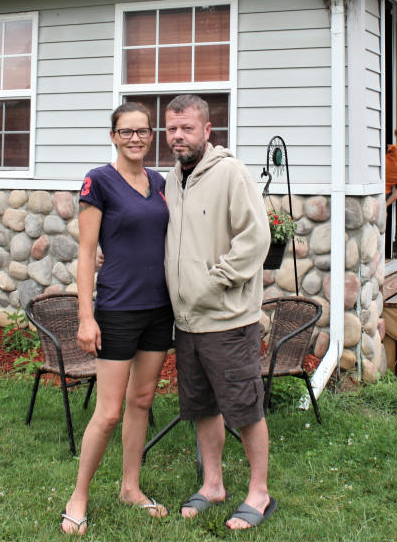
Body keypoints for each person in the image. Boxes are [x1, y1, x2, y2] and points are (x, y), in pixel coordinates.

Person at [162, 94, 275, 531]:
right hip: (187, 322)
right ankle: (212, 485)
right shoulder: (172, 180)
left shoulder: (231, 173)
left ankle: (259, 494)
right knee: (203, 408)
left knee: (244, 409)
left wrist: (214, 282)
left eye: (187, 128)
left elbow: (255, 239)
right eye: (172, 129)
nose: (178, 136)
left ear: (208, 130)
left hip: (227, 320)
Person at [61, 102, 173, 535]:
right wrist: (85, 317)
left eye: (142, 131)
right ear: (113, 136)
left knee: (142, 401)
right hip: (117, 307)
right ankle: (79, 495)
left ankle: (131, 487)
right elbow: (87, 253)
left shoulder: (159, 181)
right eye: (126, 132)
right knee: (107, 412)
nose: (135, 138)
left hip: (158, 309)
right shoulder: (99, 181)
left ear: (151, 134)